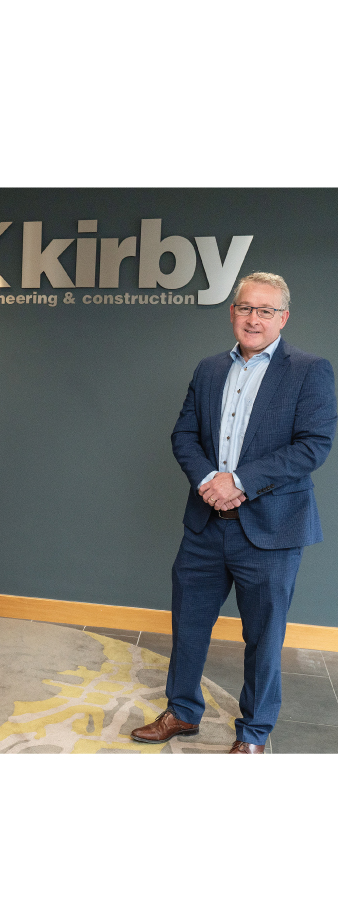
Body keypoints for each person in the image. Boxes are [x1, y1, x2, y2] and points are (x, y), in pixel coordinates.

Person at [131, 272, 336, 753]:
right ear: (232, 313)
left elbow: (314, 446)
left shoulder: (309, 370)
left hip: (270, 531)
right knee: (188, 624)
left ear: (283, 317)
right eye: (245, 308)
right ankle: (182, 711)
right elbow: (184, 435)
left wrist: (238, 482)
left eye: (266, 311)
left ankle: (255, 733)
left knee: (264, 638)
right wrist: (208, 481)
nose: (253, 319)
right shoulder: (208, 370)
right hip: (205, 525)